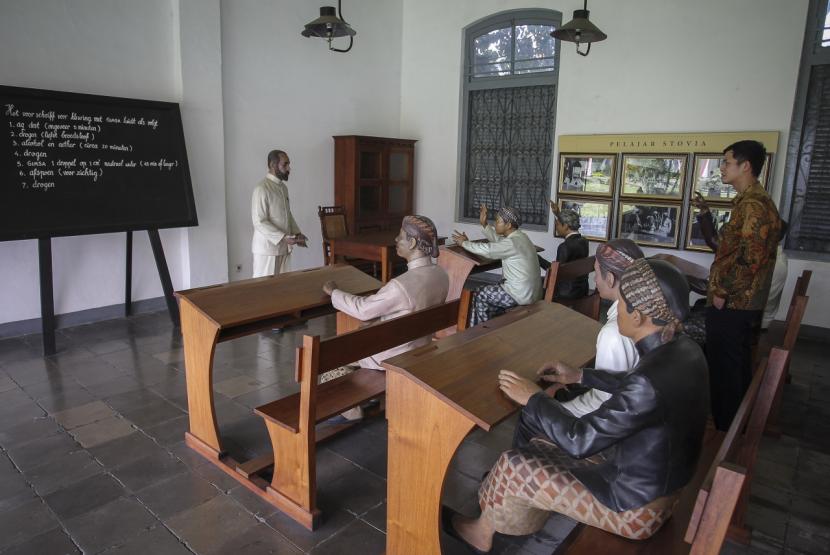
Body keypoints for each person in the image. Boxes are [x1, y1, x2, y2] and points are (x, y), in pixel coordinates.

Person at [446, 259, 708, 551]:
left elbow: (580, 440)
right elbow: (634, 382)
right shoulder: (686, 350)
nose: (615, 309)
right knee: (540, 436)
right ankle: (509, 507)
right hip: (661, 486)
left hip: (635, 509)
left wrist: (533, 396)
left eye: (620, 302)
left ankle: (481, 533)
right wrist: (580, 375)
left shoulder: (649, 380)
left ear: (638, 316)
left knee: (514, 463)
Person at [697, 140, 780, 431]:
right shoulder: (748, 202)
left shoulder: (754, 206)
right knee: (733, 366)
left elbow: (751, 258)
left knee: (727, 369)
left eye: (727, 163)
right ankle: (735, 426)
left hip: (734, 303)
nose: (722, 168)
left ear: (745, 166)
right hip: (738, 301)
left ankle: (725, 434)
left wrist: (722, 291)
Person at [322, 215, 449, 371]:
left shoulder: (400, 286)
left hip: (391, 356)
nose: (396, 239)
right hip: (421, 347)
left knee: (330, 355)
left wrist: (334, 291)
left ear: (413, 243)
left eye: (400, 236)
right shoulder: (442, 275)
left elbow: (362, 310)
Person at [557, 239, 644, 417]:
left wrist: (549, 406)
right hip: (636, 400)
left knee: (533, 412)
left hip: (612, 419)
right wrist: (580, 376)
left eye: (596, 272)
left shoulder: (614, 333)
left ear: (610, 279)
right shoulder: (645, 308)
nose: (594, 279)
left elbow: (604, 401)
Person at [694, 196, 789, 331]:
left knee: (706, 309)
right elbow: (718, 244)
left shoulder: (773, 263)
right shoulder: (772, 255)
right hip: (749, 311)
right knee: (702, 304)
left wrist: (721, 288)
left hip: (751, 317)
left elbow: (743, 292)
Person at [452, 205, 542, 326]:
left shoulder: (512, 242)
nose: (495, 224)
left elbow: (488, 250)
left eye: (498, 221)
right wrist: (484, 224)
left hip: (519, 295)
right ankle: (492, 326)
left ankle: (477, 332)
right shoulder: (521, 237)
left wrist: (464, 243)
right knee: (489, 291)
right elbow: (499, 243)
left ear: (508, 225)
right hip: (530, 293)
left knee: (479, 294)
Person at [251, 150, 308, 278]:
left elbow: (287, 214)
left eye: (289, 164)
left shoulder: (283, 188)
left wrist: (297, 233)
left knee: (282, 289)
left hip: (284, 248)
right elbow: (259, 221)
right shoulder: (262, 188)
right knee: (264, 290)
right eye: (285, 164)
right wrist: (283, 237)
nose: (289, 168)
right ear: (272, 165)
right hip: (267, 251)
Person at [544, 201, 589, 299]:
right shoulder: (584, 241)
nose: (556, 227)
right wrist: (557, 213)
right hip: (581, 289)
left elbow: (556, 273)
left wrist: (536, 258)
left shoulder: (564, 247)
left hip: (566, 292)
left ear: (565, 226)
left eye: (557, 225)